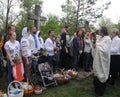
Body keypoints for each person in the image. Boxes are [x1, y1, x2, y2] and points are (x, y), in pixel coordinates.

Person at [92, 27, 111, 96]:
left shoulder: (108, 39)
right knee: (96, 73)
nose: (98, 32)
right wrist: (95, 45)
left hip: (103, 61)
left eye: (99, 30)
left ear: (102, 32)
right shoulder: (100, 37)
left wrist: (96, 46)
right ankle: (96, 88)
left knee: (102, 74)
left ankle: (100, 92)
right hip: (98, 60)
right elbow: (95, 37)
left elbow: (105, 50)